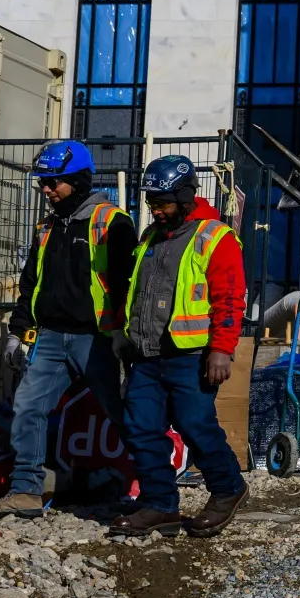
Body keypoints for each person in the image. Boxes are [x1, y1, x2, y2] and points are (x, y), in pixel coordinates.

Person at [0, 141, 136, 520]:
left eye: (54, 182)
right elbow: (30, 284)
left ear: (78, 180)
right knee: (28, 408)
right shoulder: (47, 228)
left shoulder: (113, 222)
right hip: (49, 338)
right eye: (44, 182)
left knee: (125, 413)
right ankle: (25, 492)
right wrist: (19, 331)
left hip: (98, 340)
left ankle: (156, 491)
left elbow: (130, 284)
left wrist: (123, 334)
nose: (46, 189)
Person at [108, 155, 250, 539]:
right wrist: (120, 331)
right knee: (141, 428)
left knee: (194, 425)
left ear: (187, 195)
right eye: (152, 202)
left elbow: (230, 299)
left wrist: (222, 349)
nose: (156, 209)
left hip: (192, 355)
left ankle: (228, 489)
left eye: (164, 202)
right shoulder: (151, 237)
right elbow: (133, 291)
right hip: (147, 355)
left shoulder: (215, 237)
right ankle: (160, 505)